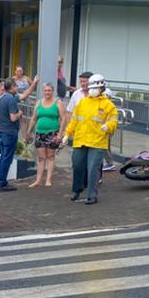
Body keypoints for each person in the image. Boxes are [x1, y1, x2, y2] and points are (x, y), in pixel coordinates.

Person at [64, 74, 117, 205]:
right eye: (91, 88)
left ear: (101, 88)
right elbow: (74, 120)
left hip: (97, 142)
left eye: (95, 88)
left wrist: (108, 126)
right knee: (77, 165)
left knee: (93, 168)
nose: (92, 90)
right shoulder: (83, 102)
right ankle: (77, 189)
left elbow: (114, 122)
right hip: (80, 140)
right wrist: (67, 134)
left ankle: (92, 195)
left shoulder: (108, 105)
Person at [25, 82, 63, 187]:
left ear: (52, 91)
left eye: (49, 90)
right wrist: (29, 131)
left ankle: (48, 179)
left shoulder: (58, 102)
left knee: (50, 156)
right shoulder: (39, 102)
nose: (47, 92)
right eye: (45, 90)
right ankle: (38, 180)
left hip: (52, 132)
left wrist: (60, 134)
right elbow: (33, 118)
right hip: (39, 132)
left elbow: (63, 119)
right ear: (43, 91)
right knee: (41, 157)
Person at [0, 76, 22, 192]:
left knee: (3, 156)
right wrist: (20, 113)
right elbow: (13, 117)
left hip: (2, 131)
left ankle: (1, 180)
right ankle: (2, 183)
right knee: (7, 157)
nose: (17, 88)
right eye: (16, 85)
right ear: (12, 87)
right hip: (10, 132)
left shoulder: (1, 98)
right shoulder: (11, 99)